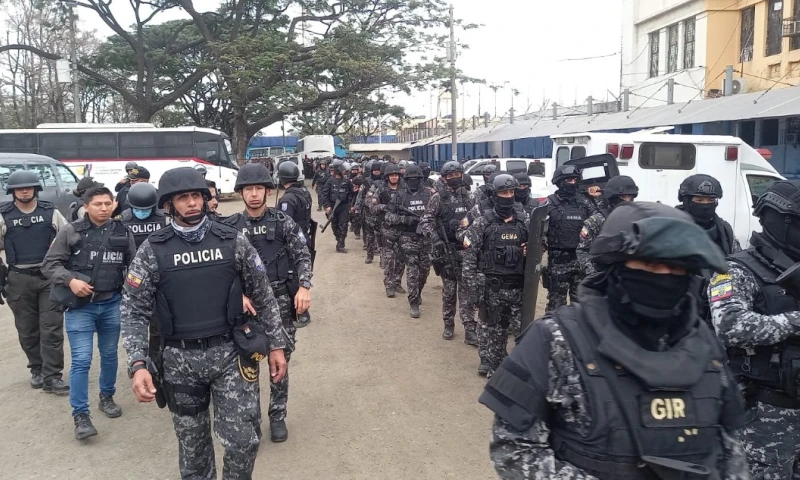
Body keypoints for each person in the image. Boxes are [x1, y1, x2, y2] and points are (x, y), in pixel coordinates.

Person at [480, 201, 749, 479]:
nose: (665, 276)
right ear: (617, 265)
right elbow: (513, 449)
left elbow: (730, 450)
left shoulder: (705, 344)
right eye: (650, 263)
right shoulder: (556, 340)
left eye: (677, 267)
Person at [120, 167, 288, 478]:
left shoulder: (232, 241)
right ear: (169, 205)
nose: (192, 203)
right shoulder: (152, 250)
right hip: (179, 360)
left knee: (243, 442)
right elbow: (133, 311)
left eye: (196, 196)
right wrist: (138, 363)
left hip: (230, 355)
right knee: (193, 451)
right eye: (183, 198)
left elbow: (264, 296)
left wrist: (276, 345)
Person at [709, 180, 800, 479]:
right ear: (777, 220)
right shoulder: (736, 269)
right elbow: (731, 326)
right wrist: (795, 321)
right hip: (767, 411)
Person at [223, 164, 312, 443]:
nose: (253, 194)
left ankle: (277, 415)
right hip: (245, 307)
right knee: (246, 364)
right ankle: (250, 421)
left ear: (267, 191)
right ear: (241, 192)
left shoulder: (283, 222)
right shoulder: (228, 228)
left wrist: (305, 287)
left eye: (258, 189)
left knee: (280, 360)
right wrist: (237, 295)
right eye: (248, 189)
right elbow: (220, 270)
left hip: (281, 300)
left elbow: (302, 255)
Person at [42, 185, 137, 440]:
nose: (103, 209)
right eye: (98, 204)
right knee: (82, 360)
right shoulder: (71, 231)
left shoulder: (122, 231)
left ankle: (107, 396)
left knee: (109, 355)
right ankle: (80, 415)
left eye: (108, 204)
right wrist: (71, 280)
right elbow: (49, 264)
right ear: (86, 206)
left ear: (115, 204)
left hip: (111, 304)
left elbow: (133, 266)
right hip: (80, 308)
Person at [0, 170, 69, 393]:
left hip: (48, 277)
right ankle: (37, 369)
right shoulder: (3, 215)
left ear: (36, 189)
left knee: (52, 329)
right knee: (28, 330)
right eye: (20, 188)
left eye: (29, 186)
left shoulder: (51, 212)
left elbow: (68, 237)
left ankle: (53, 375)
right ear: (12, 191)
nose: (25, 190)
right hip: (18, 279)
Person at [463, 174, 527, 378]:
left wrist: (530, 250)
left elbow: (538, 247)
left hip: (518, 288)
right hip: (493, 289)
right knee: (495, 334)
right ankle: (493, 367)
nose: (508, 196)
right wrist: (473, 291)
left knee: (523, 333)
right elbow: (469, 258)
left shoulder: (523, 220)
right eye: (503, 192)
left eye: (511, 192)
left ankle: (520, 370)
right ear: (495, 195)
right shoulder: (483, 222)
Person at [419, 161, 477, 342]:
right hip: (447, 250)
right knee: (450, 291)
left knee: (467, 292)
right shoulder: (438, 198)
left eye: (457, 174)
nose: (455, 178)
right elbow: (426, 221)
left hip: (466, 250)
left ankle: (469, 328)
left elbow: (477, 221)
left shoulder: (468, 196)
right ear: (444, 178)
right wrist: (435, 239)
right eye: (450, 176)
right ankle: (448, 324)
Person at [542, 165, 596, 311]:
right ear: (560, 182)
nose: (573, 183)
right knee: (556, 306)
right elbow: (538, 232)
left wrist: (598, 198)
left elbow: (598, 222)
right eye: (569, 180)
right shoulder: (548, 204)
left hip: (580, 261)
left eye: (574, 180)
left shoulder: (585, 203)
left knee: (580, 305)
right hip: (558, 262)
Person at [385, 165, 433, 317]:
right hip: (407, 237)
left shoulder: (429, 194)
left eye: (416, 179)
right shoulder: (400, 196)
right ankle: (413, 303)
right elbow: (387, 216)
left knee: (425, 270)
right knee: (412, 270)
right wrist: (405, 219)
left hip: (426, 238)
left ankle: (417, 292)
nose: (413, 182)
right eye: (410, 179)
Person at [576, 175, 638, 279]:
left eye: (630, 197)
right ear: (612, 197)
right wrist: (594, 275)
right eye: (623, 197)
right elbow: (582, 251)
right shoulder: (596, 221)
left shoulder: (638, 219)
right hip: (603, 277)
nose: (627, 200)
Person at [277, 161, 315, 328]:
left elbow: (284, 223)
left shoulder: (288, 198)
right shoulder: (304, 191)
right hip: (305, 236)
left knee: (292, 275)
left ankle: (301, 312)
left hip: (293, 241)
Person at [677, 174, 740, 255]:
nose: (705, 204)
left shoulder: (724, 230)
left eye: (711, 200)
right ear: (686, 201)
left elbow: (737, 258)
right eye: (699, 200)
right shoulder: (671, 228)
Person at [369, 163, 406, 297]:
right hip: (387, 229)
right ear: (387, 177)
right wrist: (385, 207)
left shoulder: (405, 189)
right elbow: (372, 207)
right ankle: (389, 285)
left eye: (396, 175)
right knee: (389, 258)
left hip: (403, 228)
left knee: (402, 258)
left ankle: (397, 282)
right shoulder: (381, 190)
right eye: (392, 175)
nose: (395, 178)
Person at [119, 182, 169, 248]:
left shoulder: (166, 219)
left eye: (146, 209)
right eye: (137, 209)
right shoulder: (123, 220)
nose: (141, 211)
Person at [322, 161, 353, 253]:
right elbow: (325, 194)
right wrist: (327, 206)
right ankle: (338, 239)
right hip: (332, 207)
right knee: (335, 226)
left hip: (343, 207)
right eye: (342, 169)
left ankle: (341, 245)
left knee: (343, 226)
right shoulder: (330, 181)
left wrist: (351, 205)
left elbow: (351, 194)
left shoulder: (347, 181)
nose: (344, 171)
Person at [357, 161, 383, 264]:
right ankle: (369, 255)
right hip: (368, 213)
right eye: (375, 171)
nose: (376, 172)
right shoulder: (366, 182)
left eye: (378, 171)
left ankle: (382, 258)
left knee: (382, 237)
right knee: (369, 236)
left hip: (381, 213)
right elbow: (360, 196)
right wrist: (357, 208)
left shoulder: (384, 182)